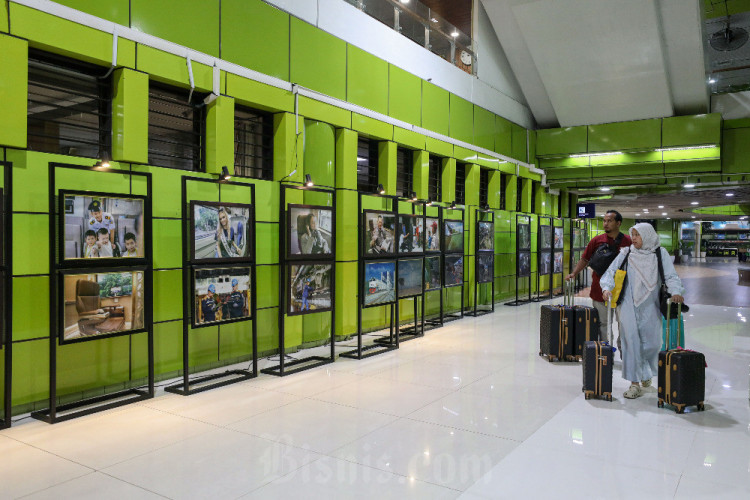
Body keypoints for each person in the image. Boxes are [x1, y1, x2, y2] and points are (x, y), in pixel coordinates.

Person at [601, 223, 685, 399]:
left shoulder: (660, 254)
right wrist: (606, 288)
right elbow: (611, 272)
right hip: (627, 304)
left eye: (637, 235)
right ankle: (634, 384)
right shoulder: (626, 253)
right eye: (632, 234)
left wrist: (676, 291)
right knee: (630, 342)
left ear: (647, 235)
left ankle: (645, 375)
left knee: (652, 342)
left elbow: (671, 276)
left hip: (651, 304)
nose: (634, 238)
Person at [566, 210, 631, 344]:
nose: (605, 224)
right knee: (603, 323)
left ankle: (624, 351)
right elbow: (585, 259)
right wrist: (574, 273)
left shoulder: (628, 241)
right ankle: (605, 350)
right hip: (599, 289)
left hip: (623, 291)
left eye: (609, 221)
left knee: (624, 324)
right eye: (604, 221)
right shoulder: (597, 241)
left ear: (618, 223)